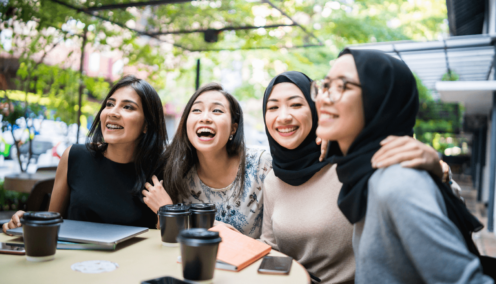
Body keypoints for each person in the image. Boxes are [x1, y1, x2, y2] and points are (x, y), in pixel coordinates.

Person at [315, 49, 492, 283]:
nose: (323, 97)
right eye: (325, 85)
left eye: (343, 86)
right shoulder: (361, 171)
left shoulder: (396, 182)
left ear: (379, 100)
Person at [259, 71, 452, 284]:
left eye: (296, 105)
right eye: (273, 107)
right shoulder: (272, 180)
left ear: (316, 110)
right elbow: (271, 248)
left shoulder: (349, 161)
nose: (283, 116)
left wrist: (438, 168)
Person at [3, 75, 168, 233]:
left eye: (127, 107)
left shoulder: (162, 170)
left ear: (147, 124)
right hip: (73, 260)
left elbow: (166, 242)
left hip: (132, 262)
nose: (113, 112)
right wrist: (26, 223)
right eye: (110, 104)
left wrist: (166, 211)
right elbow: (51, 223)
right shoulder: (74, 156)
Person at [143, 83, 271, 238]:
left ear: (233, 128)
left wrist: (169, 210)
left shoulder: (261, 165)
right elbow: (169, 238)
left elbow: (271, 241)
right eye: (196, 110)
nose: (205, 118)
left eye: (217, 110)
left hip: (253, 261)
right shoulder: (175, 169)